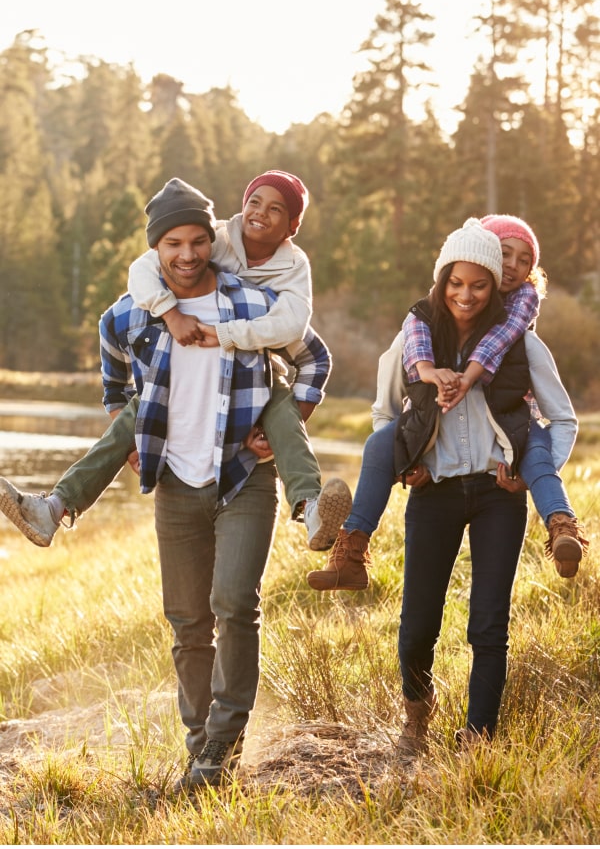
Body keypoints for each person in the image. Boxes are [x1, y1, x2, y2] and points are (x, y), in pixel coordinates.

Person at [98, 185, 331, 792]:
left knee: (234, 603)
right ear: (155, 250)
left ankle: (224, 743)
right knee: (187, 621)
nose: (187, 253)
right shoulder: (135, 310)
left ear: (213, 241)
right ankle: (201, 746)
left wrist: (287, 420)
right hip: (175, 479)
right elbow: (111, 356)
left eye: (199, 240)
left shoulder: (251, 302)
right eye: (173, 243)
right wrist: (127, 425)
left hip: (242, 476)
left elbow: (314, 354)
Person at [317, 217, 578, 755]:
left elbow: (563, 420)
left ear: (493, 287)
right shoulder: (415, 339)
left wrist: (528, 473)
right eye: (457, 283)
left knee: (488, 623)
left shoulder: (522, 345)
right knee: (417, 622)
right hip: (433, 493)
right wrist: (407, 461)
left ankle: (479, 736)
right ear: (443, 281)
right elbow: (383, 414)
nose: (467, 294)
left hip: (495, 496)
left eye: (480, 284)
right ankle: (417, 715)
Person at [0, 173, 351, 554]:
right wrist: (169, 313)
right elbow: (143, 270)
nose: (261, 213)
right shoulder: (213, 238)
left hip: (257, 376)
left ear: (292, 225)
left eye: (276, 209)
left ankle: (311, 507)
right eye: (255, 202)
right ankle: (52, 509)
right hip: (180, 379)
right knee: (137, 412)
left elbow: (297, 329)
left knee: (282, 409)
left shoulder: (292, 269)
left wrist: (280, 425)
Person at [307, 214, 587, 591]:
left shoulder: (519, 319)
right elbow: (393, 388)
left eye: (524, 260)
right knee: (378, 444)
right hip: (434, 462)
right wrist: (409, 457)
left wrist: (467, 378)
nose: (513, 267)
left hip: (510, 432)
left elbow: (502, 343)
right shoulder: (423, 320)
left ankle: (562, 525)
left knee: (536, 449)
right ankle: (352, 548)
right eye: (505, 254)